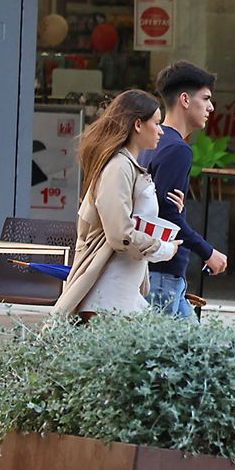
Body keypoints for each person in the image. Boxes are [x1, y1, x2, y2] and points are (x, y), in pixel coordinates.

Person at [55, 90, 178, 319]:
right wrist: (162, 248)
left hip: (120, 289)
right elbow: (120, 233)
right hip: (110, 291)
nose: (161, 130)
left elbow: (131, 220)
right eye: (157, 123)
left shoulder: (127, 165)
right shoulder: (119, 166)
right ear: (138, 125)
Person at [141, 62, 228, 318]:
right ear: (185, 100)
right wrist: (208, 252)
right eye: (206, 98)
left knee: (193, 354)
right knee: (183, 355)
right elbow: (167, 214)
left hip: (156, 269)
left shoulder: (152, 142)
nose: (211, 107)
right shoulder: (177, 149)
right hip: (162, 274)